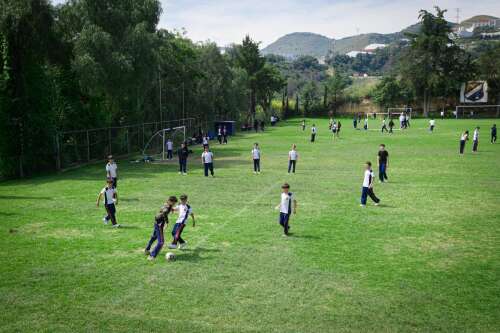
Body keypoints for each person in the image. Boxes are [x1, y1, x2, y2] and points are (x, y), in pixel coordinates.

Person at [145, 196, 178, 260]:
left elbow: (168, 209)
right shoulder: (167, 207)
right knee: (161, 242)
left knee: (154, 236)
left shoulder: (167, 204)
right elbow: (165, 212)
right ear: (171, 202)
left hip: (156, 222)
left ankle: (147, 249)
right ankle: (152, 256)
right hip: (159, 224)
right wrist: (167, 223)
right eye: (174, 203)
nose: (174, 204)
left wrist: (173, 209)